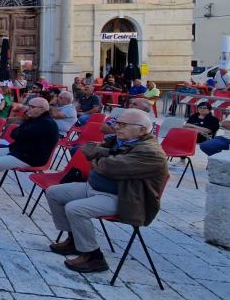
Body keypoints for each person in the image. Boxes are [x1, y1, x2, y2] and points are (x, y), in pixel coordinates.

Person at [45, 109, 167, 273]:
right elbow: (88, 148)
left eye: (123, 125)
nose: (117, 127)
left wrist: (100, 158)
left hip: (124, 198)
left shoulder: (150, 153)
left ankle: (94, 257)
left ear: (142, 129)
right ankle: (75, 240)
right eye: (117, 123)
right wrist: (103, 156)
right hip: (95, 188)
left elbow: (106, 167)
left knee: (75, 209)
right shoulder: (124, 141)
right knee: (54, 192)